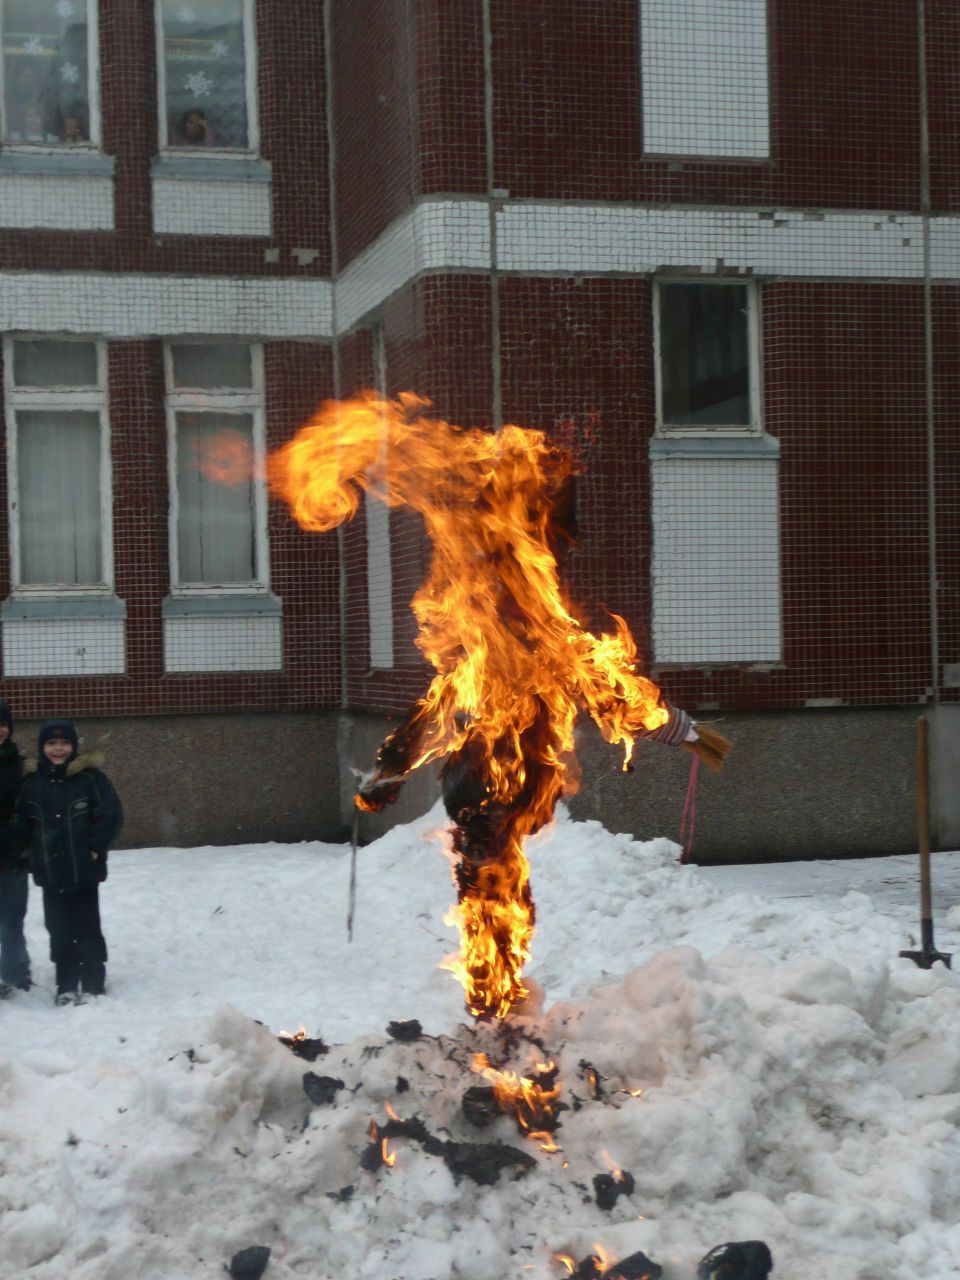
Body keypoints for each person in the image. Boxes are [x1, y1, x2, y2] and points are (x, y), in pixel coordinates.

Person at [16, 719, 123, 1005]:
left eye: (64, 743)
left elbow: (111, 815)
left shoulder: (90, 780)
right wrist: (26, 850)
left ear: (74, 746)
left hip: (84, 871)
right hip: (49, 873)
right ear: (42, 747)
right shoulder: (31, 784)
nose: (58, 749)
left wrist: (93, 848)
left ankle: (92, 982)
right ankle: (65, 982)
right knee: (59, 931)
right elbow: (21, 823)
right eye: (51, 743)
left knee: (87, 928)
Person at [0, 700, 29, 998]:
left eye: (3, 724)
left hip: (12, 856)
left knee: (11, 920)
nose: (0, 730)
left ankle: (16, 974)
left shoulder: (20, 766)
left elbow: (28, 809)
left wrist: (17, 837)